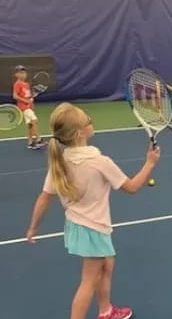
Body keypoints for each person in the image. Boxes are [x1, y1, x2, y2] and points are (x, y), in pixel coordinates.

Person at [25, 103, 161, 319]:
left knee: (107, 264)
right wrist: (150, 163)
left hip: (79, 227)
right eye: (88, 120)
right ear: (80, 133)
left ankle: (106, 311)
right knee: (88, 283)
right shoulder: (100, 162)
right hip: (93, 229)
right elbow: (132, 187)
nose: (92, 122)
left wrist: (33, 227)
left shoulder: (60, 161)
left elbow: (44, 197)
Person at [12, 65, 45, 149]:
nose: (22, 74)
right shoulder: (17, 84)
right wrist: (26, 101)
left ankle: (30, 142)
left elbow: (28, 96)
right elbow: (15, 96)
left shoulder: (26, 84)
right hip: (23, 107)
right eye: (20, 73)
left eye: (24, 72)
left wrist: (31, 101)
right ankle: (38, 139)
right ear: (16, 75)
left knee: (30, 124)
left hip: (29, 107)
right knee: (35, 120)